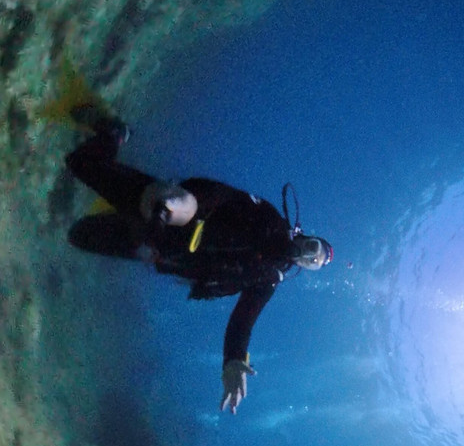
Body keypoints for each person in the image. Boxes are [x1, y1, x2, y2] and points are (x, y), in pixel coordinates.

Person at [63, 105, 332, 414]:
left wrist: (233, 361)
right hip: (163, 209)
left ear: (305, 268)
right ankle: (115, 134)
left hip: (156, 249)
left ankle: (113, 203)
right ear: (304, 234)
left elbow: (242, 322)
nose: (307, 254)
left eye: (313, 261)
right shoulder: (269, 219)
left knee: (80, 235)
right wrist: (179, 205)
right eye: (312, 246)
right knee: (80, 163)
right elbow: (222, 194)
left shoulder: (267, 279)